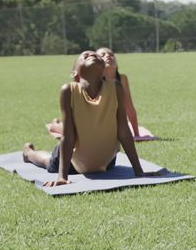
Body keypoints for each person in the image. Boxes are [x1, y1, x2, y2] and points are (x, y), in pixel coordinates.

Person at [24, 50, 151, 186]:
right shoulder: (69, 91)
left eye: (96, 55)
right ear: (74, 73)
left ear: (103, 68)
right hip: (72, 160)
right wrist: (62, 176)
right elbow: (68, 136)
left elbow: (123, 131)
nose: (92, 55)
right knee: (49, 160)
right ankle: (28, 153)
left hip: (106, 162)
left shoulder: (116, 88)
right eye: (85, 56)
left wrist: (139, 171)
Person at [48, 46, 142, 137]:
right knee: (75, 133)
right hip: (90, 121)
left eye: (111, 54)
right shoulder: (92, 81)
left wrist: (136, 134)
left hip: (109, 123)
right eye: (103, 55)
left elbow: (129, 106)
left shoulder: (122, 79)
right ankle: (56, 125)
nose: (108, 56)